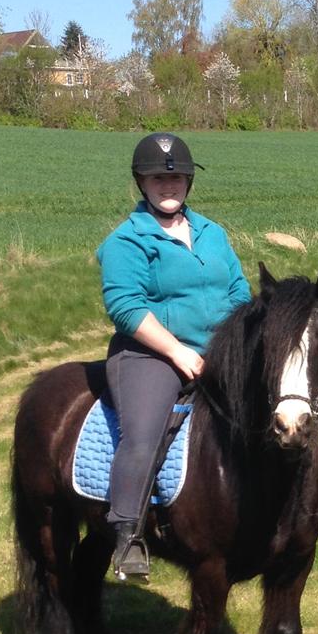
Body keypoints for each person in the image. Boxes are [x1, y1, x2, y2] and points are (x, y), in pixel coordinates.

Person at [97, 133, 252, 579]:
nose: (169, 186)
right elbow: (125, 306)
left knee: (279, 408)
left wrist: (237, 349)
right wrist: (177, 352)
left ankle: (298, 507)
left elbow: (239, 291)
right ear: (141, 183)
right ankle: (128, 534)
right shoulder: (127, 240)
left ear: (188, 182)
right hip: (150, 356)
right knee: (144, 434)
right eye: (157, 179)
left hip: (218, 351)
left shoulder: (212, 233)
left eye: (177, 178)